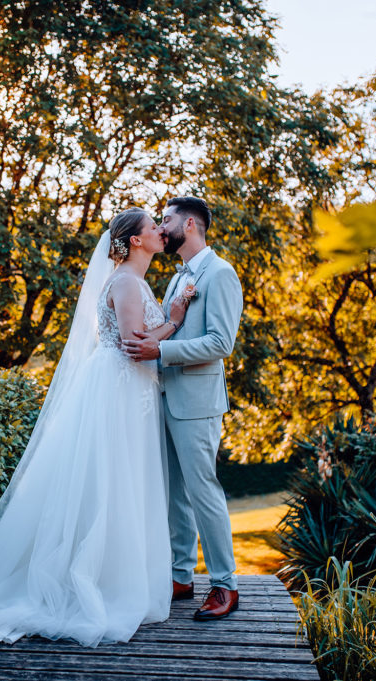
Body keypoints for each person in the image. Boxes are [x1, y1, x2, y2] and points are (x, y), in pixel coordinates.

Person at [0, 208, 191, 668]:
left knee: (120, 484)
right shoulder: (129, 282)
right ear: (134, 240)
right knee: (116, 483)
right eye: (153, 226)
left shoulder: (131, 279)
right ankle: (104, 583)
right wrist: (172, 320)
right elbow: (136, 347)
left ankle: (117, 573)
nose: (160, 230)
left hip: (127, 393)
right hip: (121, 393)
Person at [123, 196, 244, 621]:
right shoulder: (178, 279)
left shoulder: (221, 274)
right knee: (176, 494)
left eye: (167, 218)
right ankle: (181, 576)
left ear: (189, 224)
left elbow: (220, 344)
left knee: (203, 490)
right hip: (165, 397)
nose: (162, 225)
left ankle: (225, 585)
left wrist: (161, 351)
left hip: (196, 403)